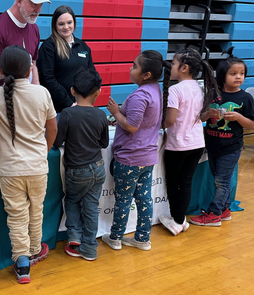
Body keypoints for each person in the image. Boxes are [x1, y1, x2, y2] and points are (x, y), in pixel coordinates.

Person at [0, 45, 57, 284]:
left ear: (0, 69)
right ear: (30, 68)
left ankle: (21, 262)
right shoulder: (42, 93)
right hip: (38, 167)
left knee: (17, 215)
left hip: (10, 170)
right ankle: (34, 250)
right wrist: (45, 149)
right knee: (36, 209)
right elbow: (53, 128)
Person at [101, 50, 169, 251]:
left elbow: (131, 126)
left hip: (130, 157)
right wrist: (119, 118)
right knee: (144, 199)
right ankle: (142, 238)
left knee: (122, 200)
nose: (131, 69)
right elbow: (140, 120)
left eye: (134, 66)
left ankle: (115, 238)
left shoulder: (141, 95)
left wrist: (116, 113)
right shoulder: (155, 90)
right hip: (147, 157)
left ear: (146, 74)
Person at [159, 48, 219, 236]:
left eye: (174, 64)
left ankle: (177, 220)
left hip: (179, 144)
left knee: (173, 182)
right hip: (196, 143)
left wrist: (156, 125)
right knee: (185, 183)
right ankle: (180, 219)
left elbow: (170, 120)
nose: (172, 67)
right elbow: (198, 117)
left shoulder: (176, 89)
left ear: (184, 68)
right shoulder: (198, 87)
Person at [190, 54, 254, 226]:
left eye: (241, 73)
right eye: (233, 73)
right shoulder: (213, 95)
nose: (238, 77)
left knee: (221, 181)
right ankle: (225, 209)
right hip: (212, 145)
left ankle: (214, 214)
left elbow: (251, 125)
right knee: (217, 179)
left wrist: (239, 118)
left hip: (231, 148)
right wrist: (208, 114)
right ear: (222, 75)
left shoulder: (246, 98)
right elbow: (200, 118)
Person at [53, 67, 109, 261]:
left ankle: (74, 237)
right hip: (98, 168)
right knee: (91, 207)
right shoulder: (101, 115)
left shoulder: (67, 114)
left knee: (72, 201)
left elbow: (57, 142)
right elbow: (104, 143)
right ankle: (90, 248)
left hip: (77, 171)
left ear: (72, 90)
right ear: (98, 92)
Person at [37, 5, 95, 113]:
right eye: (61, 24)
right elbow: (47, 79)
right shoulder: (49, 47)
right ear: (55, 25)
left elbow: (92, 75)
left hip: (80, 107)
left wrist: (86, 101)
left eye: (69, 22)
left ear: (74, 22)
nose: (66, 27)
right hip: (57, 110)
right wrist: (68, 103)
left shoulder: (83, 47)